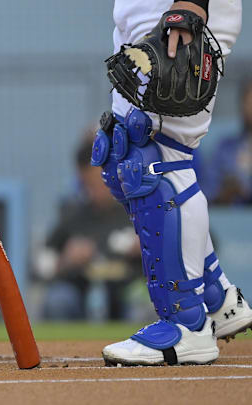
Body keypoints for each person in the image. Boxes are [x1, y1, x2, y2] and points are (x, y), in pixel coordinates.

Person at [92, 0, 252, 366]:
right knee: (121, 154)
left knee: (154, 160)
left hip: (177, 9)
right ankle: (216, 297)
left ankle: (187, 325)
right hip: (142, 11)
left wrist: (190, 6)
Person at [37, 137, 141, 320]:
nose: (96, 190)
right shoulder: (72, 214)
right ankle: (66, 349)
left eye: (101, 182)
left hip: (129, 287)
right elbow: (43, 264)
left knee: (142, 304)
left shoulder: (139, 209)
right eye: (89, 184)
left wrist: (147, 247)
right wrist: (65, 259)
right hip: (80, 289)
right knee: (58, 301)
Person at [205, 79, 252, 205]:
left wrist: (245, 189)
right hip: (228, 219)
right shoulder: (225, 148)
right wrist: (225, 193)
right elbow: (207, 192)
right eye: (248, 103)